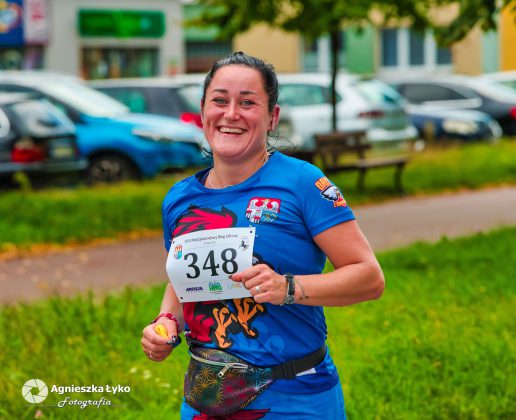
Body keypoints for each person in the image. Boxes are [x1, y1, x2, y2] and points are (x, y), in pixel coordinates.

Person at [141, 51, 385, 419]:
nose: (231, 113)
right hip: (207, 397)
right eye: (219, 100)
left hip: (295, 398)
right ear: (203, 111)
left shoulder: (302, 183)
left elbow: (369, 278)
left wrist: (289, 287)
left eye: (247, 103)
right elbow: (184, 282)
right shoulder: (180, 199)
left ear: (272, 117)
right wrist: (167, 322)